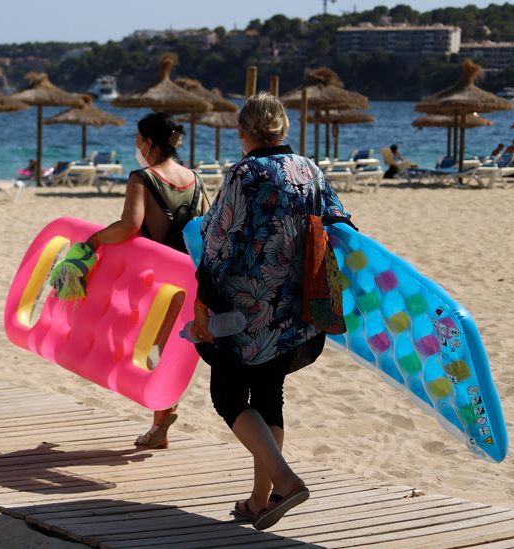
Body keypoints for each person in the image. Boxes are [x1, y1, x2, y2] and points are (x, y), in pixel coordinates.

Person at [192, 92, 349, 530]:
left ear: (243, 133)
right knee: (268, 395)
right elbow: (339, 221)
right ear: (282, 129)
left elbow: (218, 243)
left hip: (244, 310)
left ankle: (285, 478)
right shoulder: (309, 168)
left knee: (227, 397)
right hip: (293, 308)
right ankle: (261, 500)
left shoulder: (245, 172)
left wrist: (201, 303)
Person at [83, 112, 205, 450]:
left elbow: (130, 225)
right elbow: (206, 227)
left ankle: (160, 422)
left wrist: (94, 239)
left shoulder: (142, 177)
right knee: (168, 348)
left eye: (138, 139)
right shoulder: (194, 178)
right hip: (188, 279)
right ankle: (161, 420)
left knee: (150, 350)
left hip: (157, 279)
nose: (135, 145)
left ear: (149, 143)